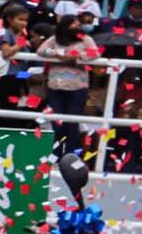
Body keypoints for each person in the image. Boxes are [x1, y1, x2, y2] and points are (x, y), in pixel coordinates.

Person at [36, 15, 98, 156]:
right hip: (56, 88)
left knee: (72, 125)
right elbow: (41, 50)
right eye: (73, 25)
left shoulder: (85, 39)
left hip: (78, 88)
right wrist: (59, 54)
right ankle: (56, 157)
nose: (77, 28)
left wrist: (76, 56)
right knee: (57, 125)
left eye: (78, 25)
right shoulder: (55, 39)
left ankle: (71, 157)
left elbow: (95, 53)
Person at [0, 3, 32, 123]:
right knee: (6, 107)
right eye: (20, 19)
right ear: (10, 19)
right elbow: (6, 52)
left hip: (21, 75)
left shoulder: (22, 35)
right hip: (7, 76)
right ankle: (3, 133)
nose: (23, 23)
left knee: (20, 106)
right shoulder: (3, 32)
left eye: (25, 20)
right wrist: (21, 44)